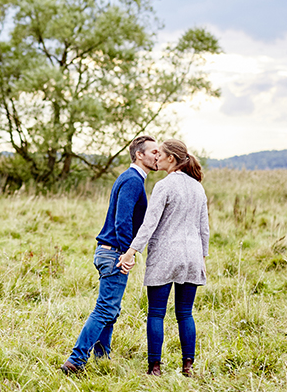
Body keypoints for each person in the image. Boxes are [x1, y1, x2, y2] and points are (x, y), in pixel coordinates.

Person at [60, 136, 159, 374]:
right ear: (139, 155)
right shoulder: (133, 180)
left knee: (111, 311)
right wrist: (128, 253)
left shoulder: (132, 178)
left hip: (109, 252)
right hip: (114, 253)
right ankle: (75, 360)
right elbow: (122, 221)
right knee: (105, 309)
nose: (158, 156)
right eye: (154, 152)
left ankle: (102, 358)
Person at [117, 138, 209, 377]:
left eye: (161, 155)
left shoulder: (164, 186)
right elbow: (204, 228)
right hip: (192, 256)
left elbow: (149, 224)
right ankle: (188, 366)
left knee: (156, 312)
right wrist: (203, 257)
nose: (156, 157)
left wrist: (131, 251)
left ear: (171, 159)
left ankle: (154, 368)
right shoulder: (198, 187)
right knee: (185, 313)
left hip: (166, 256)